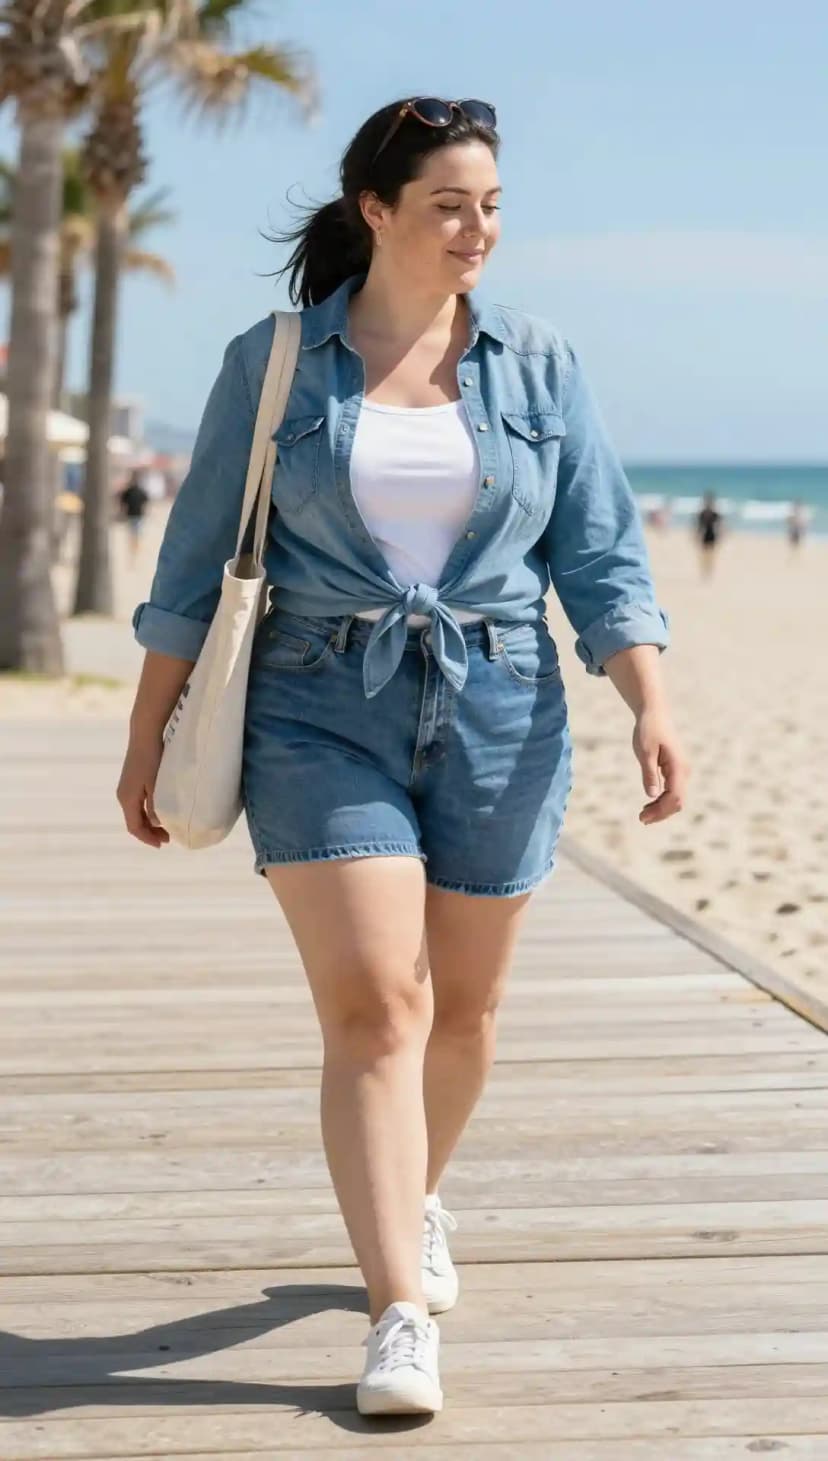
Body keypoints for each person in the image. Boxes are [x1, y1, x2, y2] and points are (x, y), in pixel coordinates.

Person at [117, 96, 688, 1417]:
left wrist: (648, 699)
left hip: (503, 708)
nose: (477, 227)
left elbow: (601, 552)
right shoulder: (273, 365)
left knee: (466, 1015)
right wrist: (147, 733)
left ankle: (414, 1194)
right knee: (379, 1004)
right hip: (318, 706)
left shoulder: (540, 364)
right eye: (449, 203)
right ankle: (392, 1316)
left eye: (491, 204)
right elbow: (194, 562)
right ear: (376, 208)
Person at [118, 469, 150, 566]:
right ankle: (134, 551)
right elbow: (146, 503)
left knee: (134, 535)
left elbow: (122, 504)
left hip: (134, 516)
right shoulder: (136, 491)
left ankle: (134, 552)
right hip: (135, 516)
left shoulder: (130, 491)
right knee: (135, 535)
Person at [695, 491, 723, 579]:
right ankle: (704, 571)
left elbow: (720, 526)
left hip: (712, 535)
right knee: (704, 555)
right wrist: (696, 535)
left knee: (711, 555)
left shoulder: (715, 514)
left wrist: (721, 535)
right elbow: (699, 527)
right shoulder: (702, 514)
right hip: (705, 535)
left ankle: (709, 570)